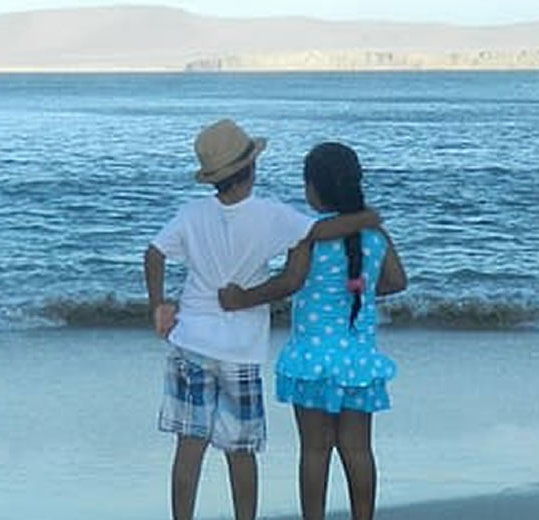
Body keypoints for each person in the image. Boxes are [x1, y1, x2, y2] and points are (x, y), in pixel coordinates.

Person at [145, 119, 381, 520]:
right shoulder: (271, 216)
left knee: (188, 447)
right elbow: (320, 232)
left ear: (213, 179)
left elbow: (153, 253)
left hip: (191, 341)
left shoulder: (191, 214)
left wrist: (159, 304)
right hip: (239, 349)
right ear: (252, 169)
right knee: (241, 451)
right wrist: (368, 218)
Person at [219, 142, 406, 520]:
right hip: (357, 360)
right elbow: (396, 281)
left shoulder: (308, 235)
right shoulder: (374, 235)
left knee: (315, 450)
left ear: (316, 188)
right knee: (357, 449)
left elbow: (289, 282)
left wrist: (243, 298)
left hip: (311, 359)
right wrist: (361, 288)